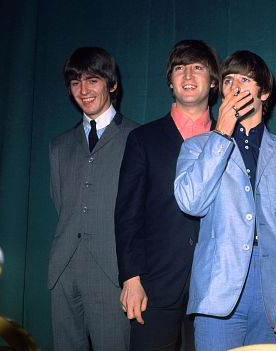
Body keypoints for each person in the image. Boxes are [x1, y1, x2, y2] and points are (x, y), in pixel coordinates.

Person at [173, 50, 276, 350]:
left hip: (275, 295)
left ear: (264, 92)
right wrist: (222, 133)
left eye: (244, 79)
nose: (235, 86)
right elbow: (190, 202)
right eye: (227, 80)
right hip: (217, 294)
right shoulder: (196, 147)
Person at [114, 39, 220, 351]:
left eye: (197, 67)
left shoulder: (229, 140)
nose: (188, 75)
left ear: (214, 82)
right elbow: (127, 215)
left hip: (216, 288)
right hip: (153, 287)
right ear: (170, 83)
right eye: (179, 68)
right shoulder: (142, 140)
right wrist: (130, 279)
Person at [48, 47, 139, 350]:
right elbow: (61, 202)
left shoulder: (138, 138)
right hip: (63, 272)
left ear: (112, 84)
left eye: (92, 80)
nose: (83, 91)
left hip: (113, 273)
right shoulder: (59, 146)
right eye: (75, 83)